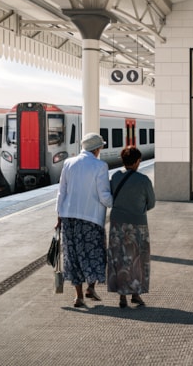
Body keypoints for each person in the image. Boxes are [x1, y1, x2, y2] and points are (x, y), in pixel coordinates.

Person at [56, 132, 113, 308]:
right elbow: (104, 195)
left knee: (72, 256)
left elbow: (61, 191)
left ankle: (78, 296)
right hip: (91, 219)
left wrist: (59, 215)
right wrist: (116, 204)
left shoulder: (68, 163)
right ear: (97, 149)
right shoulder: (100, 166)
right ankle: (90, 287)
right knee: (93, 254)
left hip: (69, 217)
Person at [107, 146, 156, 309]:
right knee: (137, 259)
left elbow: (111, 196)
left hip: (116, 224)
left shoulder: (115, 177)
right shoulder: (144, 180)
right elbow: (152, 203)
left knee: (119, 258)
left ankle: (122, 296)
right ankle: (135, 294)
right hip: (137, 225)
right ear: (136, 162)